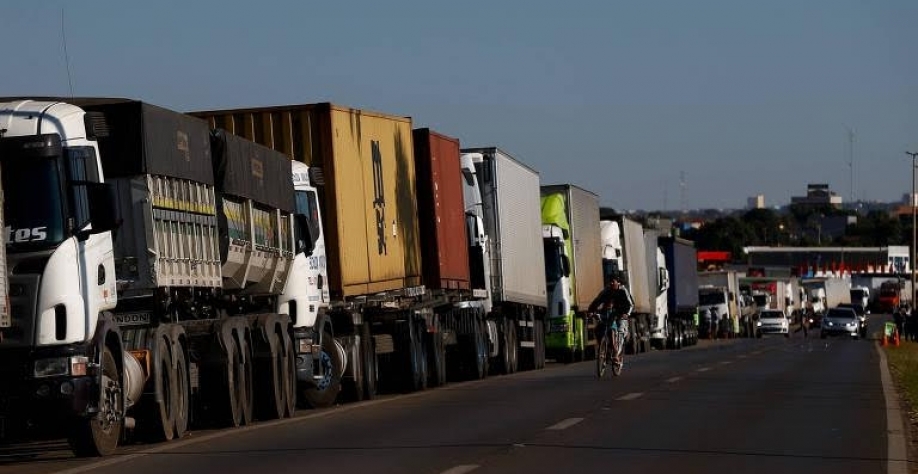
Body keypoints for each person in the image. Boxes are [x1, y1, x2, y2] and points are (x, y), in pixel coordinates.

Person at [588, 275, 635, 362]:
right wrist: (591, 311)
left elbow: (631, 304)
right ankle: (604, 348)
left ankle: (616, 354)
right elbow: (597, 300)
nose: (611, 283)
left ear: (618, 282)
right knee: (598, 329)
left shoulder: (623, 291)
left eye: (613, 281)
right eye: (610, 281)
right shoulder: (606, 291)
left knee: (620, 330)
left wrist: (627, 314)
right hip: (609, 314)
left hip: (621, 314)